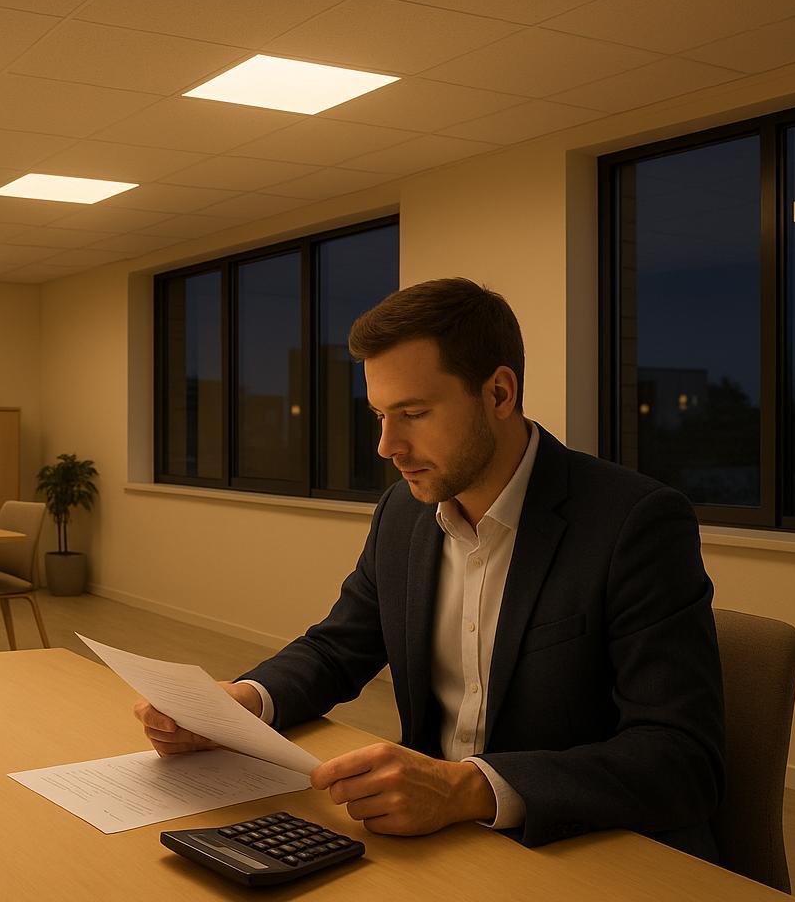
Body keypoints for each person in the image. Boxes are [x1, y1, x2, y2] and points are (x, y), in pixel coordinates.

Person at [134, 277, 724, 859]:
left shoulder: (633, 522)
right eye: (379, 415)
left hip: (580, 849)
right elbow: (338, 649)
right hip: (434, 842)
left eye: (413, 413)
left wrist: (465, 788)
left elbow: (681, 756)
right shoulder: (404, 513)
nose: (386, 446)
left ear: (499, 394)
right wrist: (242, 704)